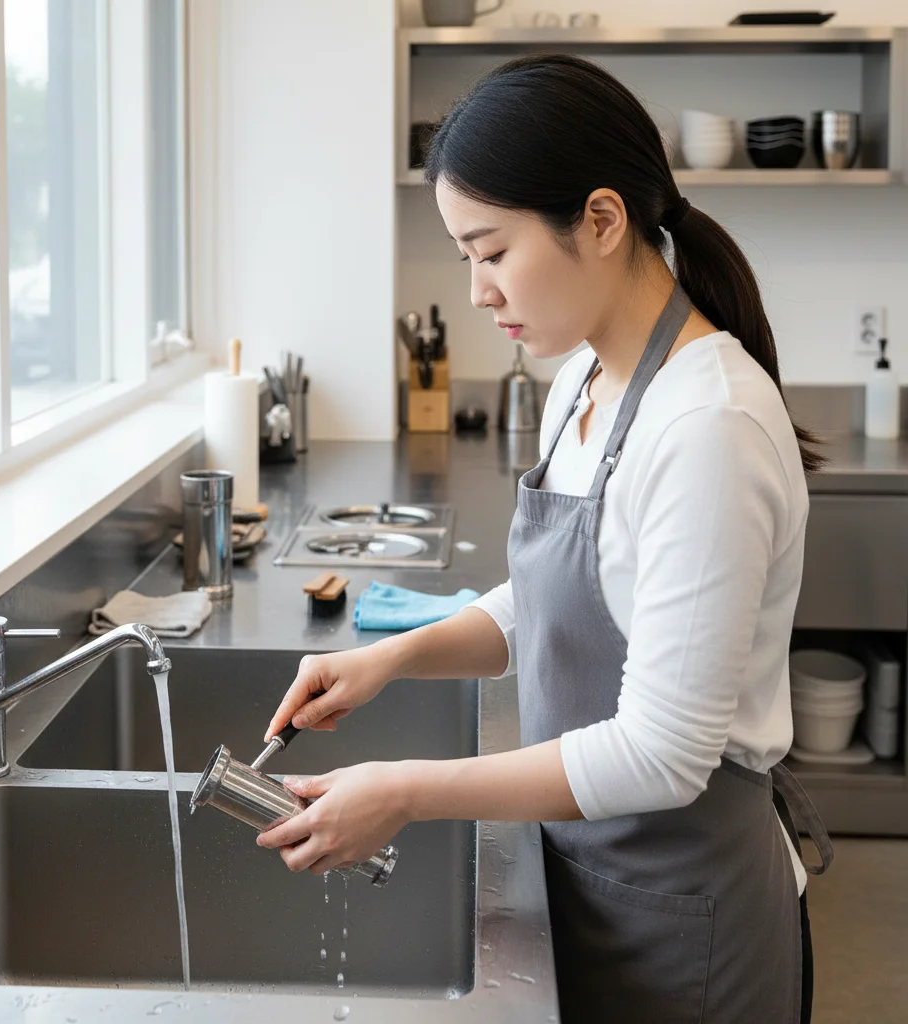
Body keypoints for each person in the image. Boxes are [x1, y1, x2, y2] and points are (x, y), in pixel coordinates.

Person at [257, 54, 832, 1023]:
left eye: (490, 250)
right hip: (592, 882)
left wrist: (405, 789)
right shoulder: (582, 379)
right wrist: (393, 658)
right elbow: (551, 600)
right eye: (464, 258)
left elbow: (659, 753)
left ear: (600, 221)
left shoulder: (708, 430)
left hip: (687, 922)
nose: (477, 290)